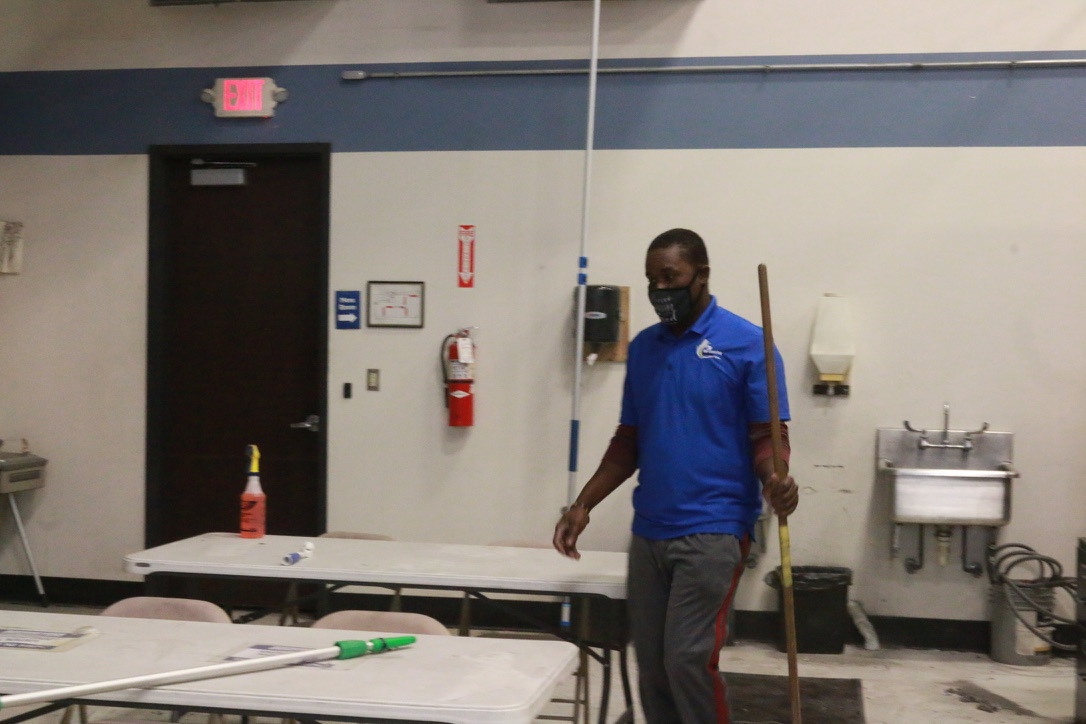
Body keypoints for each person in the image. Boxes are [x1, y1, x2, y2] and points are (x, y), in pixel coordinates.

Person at [553, 228, 799, 724]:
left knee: (687, 658)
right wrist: (583, 504)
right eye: (651, 280)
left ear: (701, 276)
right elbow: (629, 441)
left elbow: (767, 436)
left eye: (670, 278)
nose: (658, 290)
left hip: (715, 528)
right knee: (652, 667)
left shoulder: (750, 345)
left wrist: (776, 477)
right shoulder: (644, 348)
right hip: (650, 531)